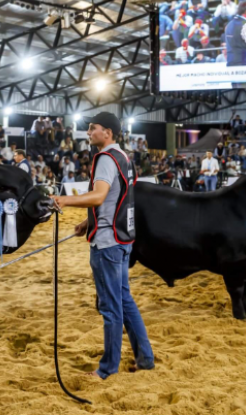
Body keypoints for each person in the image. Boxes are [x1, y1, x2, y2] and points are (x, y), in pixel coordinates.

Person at [51, 111, 154, 379]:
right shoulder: (124, 158)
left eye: (93, 128)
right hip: (121, 238)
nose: (88, 132)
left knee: (110, 308)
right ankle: (145, 358)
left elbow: (99, 196)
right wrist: (89, 222)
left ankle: (107, 368)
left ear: (107, 132)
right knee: (123, 299)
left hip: (108, 242)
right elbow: (118, 199)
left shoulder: (106, 159)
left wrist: (64, 200)